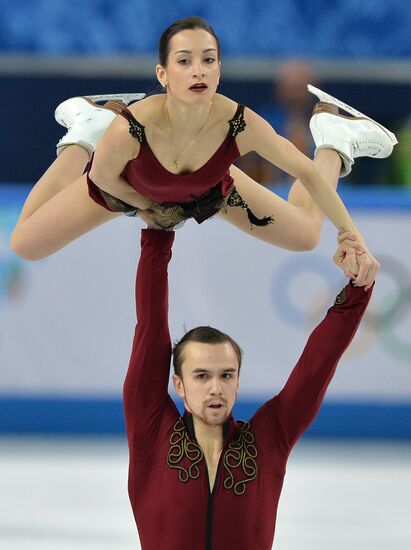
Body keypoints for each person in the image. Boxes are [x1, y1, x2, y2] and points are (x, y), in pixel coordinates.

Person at [10, 16, 396, 289]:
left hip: (210, 191)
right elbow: (102, 178)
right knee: (25, 244)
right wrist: (145, 207)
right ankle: (84, 131)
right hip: (125, 185)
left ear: (219, 69)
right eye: (184, 61)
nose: (198, 70)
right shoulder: (132, 126)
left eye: (208, 60)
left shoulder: (239, 123)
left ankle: (334, 137)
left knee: (306, 235)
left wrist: (353, 238)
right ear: (162, 74)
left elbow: (306, 174)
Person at [124, 224, 373, 550]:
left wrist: (358, 289)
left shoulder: (268, 440)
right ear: (179, 385)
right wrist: (157, 236)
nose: (216, 388)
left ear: (238, 383)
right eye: (202, 376)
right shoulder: (152, 432)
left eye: (226, 375)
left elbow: (316, 367)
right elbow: (151, 325)